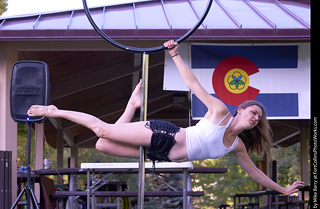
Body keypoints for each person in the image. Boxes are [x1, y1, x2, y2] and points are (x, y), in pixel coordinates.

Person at [27, 40, 304, 195]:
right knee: (103, 132)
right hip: (165, 134)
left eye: (259, 118)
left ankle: (132, 106)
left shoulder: (237, 146)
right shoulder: (219, 111)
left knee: (103, 145)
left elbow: (254, 172)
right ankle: (55, 110)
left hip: (161, 154)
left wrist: (284, 189)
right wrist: (175, 55)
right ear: (240, 110)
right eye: (253, 112)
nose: (256, 118)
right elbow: (194, 85)